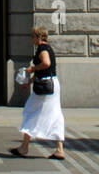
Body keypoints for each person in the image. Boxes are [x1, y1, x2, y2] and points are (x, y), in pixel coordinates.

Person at [10, 26, 65, 159]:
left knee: (30, 111)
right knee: (55, 114)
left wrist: (32, 69)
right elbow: (47, 68)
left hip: (45, 87)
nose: (32, 39)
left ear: (39, 37)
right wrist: (30, 82)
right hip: (52, 84)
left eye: (33, 36)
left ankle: (24, 147)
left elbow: (46, 63)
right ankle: (59, 149)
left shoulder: (42, 49)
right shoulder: (49, 48)